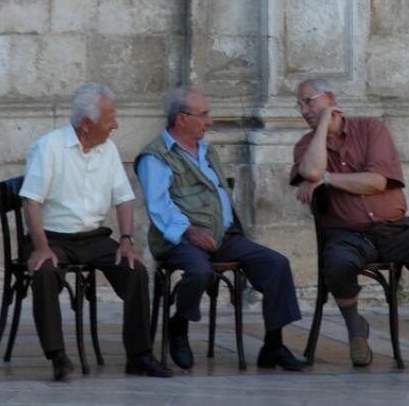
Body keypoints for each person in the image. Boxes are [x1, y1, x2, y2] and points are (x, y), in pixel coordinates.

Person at [289, 78, 409, 368]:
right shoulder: (306, 144)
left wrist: (326, 179)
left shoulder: (370, 129)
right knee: (337, 264)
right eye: (299, 106)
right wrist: (321, 127)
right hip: (348, 235)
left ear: (329, 97)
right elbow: (309, 169)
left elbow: (376, 182)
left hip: (397, 230)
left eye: (309, 101)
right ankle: (356, 329)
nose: (303, 110)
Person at [134, 86, 306, 371]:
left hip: (223, 235)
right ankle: (179, 325)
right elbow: (159, 206)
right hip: (182, 240)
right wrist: (191, 232)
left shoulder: (206, 150)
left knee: (276, 264)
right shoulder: (156, 156)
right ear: (182, 118)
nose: (210, 121)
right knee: (200, 271)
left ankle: (273, 346)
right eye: (204, 115)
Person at [19, 82, 172, 381]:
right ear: (86, 124)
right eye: (110, 118)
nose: (116, 125)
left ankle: (139, 355)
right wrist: (40, 246)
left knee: (135, 269)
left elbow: (124, 197)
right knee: (46, 270)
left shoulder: (108, 149)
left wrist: (126, 241)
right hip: (51, 238)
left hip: (93, 238)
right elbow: (31, 201)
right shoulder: (49, 147)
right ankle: (57, 356)